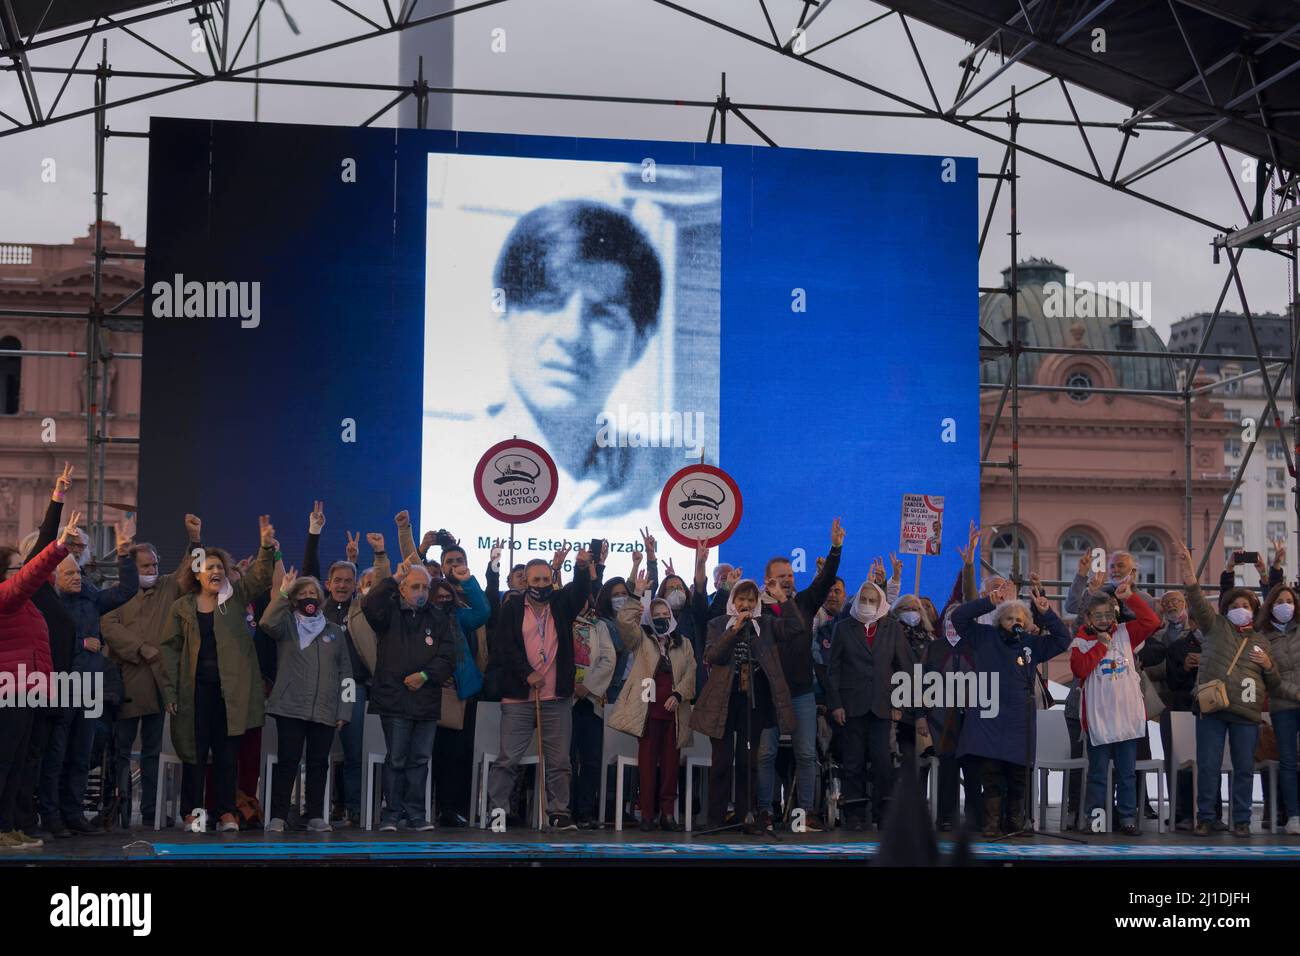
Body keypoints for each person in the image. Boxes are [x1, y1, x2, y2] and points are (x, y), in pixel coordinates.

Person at [161, 516, 277, 833]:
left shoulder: (235, 599)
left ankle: (227, 812)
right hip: (194, 692)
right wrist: (170, 692)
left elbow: (260, 576)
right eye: (208, 567)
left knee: (227, 753)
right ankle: (193, 813)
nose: (215, 571)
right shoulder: (182, 607)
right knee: (194, 753)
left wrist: (266, 545)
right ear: (196, 574)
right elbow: (169, 649)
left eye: (219, 567)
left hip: (230, 692)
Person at [102, 514, 203, 830]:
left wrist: (195, 540)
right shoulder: (118, 594)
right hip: (126, 683)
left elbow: (192, 569)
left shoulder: (167, 587)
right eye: (145, 566)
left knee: (152, 752)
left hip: (160, 684)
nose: (151, 571)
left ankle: (149, 811)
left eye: (154, 565)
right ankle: (116, 807)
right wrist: (140, 648)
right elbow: (108, 625)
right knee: (119, 751)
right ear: (132, 567)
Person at [1173, 541, 1280, 837]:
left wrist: (1269, 664)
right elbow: (1195, 598)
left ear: (1254, 611)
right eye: (1234, 606)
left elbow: (1274, 682)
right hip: (1213, 708)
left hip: (1246, 714)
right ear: (1225, 610)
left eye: (1246, 606)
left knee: (1245, 769)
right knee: (1208, 766)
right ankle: (1206, 817)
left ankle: (1242, 820)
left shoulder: (1262, 639)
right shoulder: (1215, 626)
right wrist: (1188, 568)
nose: (1240, 610)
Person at [951, 579, 1072, 837]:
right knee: (991, 771)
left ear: (1027, 623)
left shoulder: (1031, 643)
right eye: (1009, 618)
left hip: (1019, 716)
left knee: (1018, 772)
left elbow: (1063, 640)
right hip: (989, 715)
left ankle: (1015, 822)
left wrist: (1046, 613)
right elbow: (959, 618)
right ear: (999, 621)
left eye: (1020, 618)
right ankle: (992, 823)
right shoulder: (983, 636)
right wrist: (988, 602)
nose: (1014, 622)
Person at [486, 549, 592, 830]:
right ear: (525, 581)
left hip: (556, 697)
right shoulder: (512, 607)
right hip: (519, 697)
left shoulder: (560, 604)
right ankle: (497, 811)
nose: (542, 584)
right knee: (508, 758)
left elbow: (581, 593)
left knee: (559, 761)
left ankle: (559, 812)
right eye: (536, 579)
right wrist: (526, 673)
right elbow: (504, 648)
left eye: (546, 579)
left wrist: (581, 568)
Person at [46, 518, 138, 835]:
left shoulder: (89, 595)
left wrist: (125, 554)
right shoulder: (48, 601)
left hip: (89, 685)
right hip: (60, 685)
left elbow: (126, 590)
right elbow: (47, 640)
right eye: (69, 572)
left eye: (77, 571)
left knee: (82, 755)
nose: (76, 577)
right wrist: (80, 643)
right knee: (56, 754)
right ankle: (51, 815)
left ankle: (73, 814)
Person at [755, 517, 844, 832]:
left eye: (791, 575)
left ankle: (805, 813)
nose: (788, 580)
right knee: (765, 753)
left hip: (802, 692)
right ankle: (765, 811)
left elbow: (825, 581)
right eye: (781, 577)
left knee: (806, 753)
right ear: (767, 581)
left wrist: (835, 549)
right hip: (769, 693)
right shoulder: (759, 611)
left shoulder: (804, 604)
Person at [691, 578, 795, 834]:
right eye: (741, 600)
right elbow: (712, 656)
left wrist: (782, 597)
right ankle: (715, 818)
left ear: (757, 603)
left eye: (751, 600)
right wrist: (733, 630)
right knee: (722, 761)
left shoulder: (767, 625)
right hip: (722, 701)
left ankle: (745, 816)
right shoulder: (717, 624)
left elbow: (795, 628)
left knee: (748, 761)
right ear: (733, 602)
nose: (746, 604)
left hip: (754, 702)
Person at [361, 554, 456, 832]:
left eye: (425, 588)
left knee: (420, 760)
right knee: (397, 758)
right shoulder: (388, 613)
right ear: (402, 588)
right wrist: (392, 579)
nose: (421, 593)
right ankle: (391, 815)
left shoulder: (438, 618)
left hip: (426, 699)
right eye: (415, 587)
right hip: (394, 699)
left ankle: (415, 814)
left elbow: (448, 656)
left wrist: (425, 676)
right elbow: (369, 606)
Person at [0, 515, 78, 849]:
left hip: (28, 690)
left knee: (17, 766)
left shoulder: (24, 602)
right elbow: (30, 573)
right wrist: (59, 547)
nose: (21, 570)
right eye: (14, 567)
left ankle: (8, 826)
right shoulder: (7, 596)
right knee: (4, 763)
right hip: (10, 690)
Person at [260, 569, 353, 832]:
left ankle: (314, 815)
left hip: (324, 709)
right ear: (293, 599)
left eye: (312, 593)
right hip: (290, 706)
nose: (308, 597)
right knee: (288, 762)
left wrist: (345, 709)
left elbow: (347, 673)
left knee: (318, 763)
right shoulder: (287, 625)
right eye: (302, 594)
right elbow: (267, 622)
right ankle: (278, 815)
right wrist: (282, 592)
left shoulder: (334, 631)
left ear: (321, 598)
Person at [1070, 578, 1161, 834]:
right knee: (1098, 774)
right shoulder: (1080, 641)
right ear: (1088, 617)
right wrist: (1100, 646)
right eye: (1097, 615)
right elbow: (1079, 669)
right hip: (1099, 719)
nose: (1103, 619)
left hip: (1126, 717)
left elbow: (1152, 622)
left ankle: (1127, 819)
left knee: (1127, 774)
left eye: (1108, 614)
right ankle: (1096, 819)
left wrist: (1129, 596)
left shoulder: (1125, 633)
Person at [613, 565, 698, 830]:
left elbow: (692, 672)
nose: (661, 617)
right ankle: (647, 814)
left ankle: (668, 813)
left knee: (671, 766)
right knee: (647, 765)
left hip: (674, 711)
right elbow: (624, 624)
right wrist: (636, 596)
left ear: (672, 616)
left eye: (665, 614)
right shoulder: (642, 639)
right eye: (657, 614)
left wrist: (678, 693)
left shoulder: (683, 642)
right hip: (647, 710)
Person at [826, 580, 898, 831]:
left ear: (880, 603)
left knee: (882, 760)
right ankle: (854, 814)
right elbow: (833, 670)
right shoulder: (844, 628)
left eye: (872, 600)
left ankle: (884, 813)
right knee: (853, 761)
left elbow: (903, 666)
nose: (868, 604)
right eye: (864, 599)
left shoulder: (892, 628)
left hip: (882, 706)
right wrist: (835, 704)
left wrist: (900, 702)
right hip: (851, 705)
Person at [428, 555, 491, 828]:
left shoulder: (459, 617)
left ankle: (451, 809)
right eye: (438, 597)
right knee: (431, 755)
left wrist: (469, 581)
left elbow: (483, 613)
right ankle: (428, 808)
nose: (443, 601)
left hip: (459, 695)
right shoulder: (420, 618)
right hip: (427, 693)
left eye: (447, 597)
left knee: (456, 756)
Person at [567, 586, 616, 828]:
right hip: (565, 700)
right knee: (565, 759)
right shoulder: (560, 622)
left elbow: (609, 658)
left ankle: (585, 811)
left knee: (592, 759)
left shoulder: (599, 626)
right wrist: (572, 685)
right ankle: (565, 810)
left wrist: (587, 686)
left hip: (592, 700)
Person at [1258, 583, 1300, 833]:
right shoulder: (1262, 637)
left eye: (1290, 601)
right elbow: (1270, 677)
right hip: (1282, 705)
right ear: (1271, 606)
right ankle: (1293, 815)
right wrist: (1295, 692)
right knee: (1287, 760)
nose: (1286, 606)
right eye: (1279, 601)